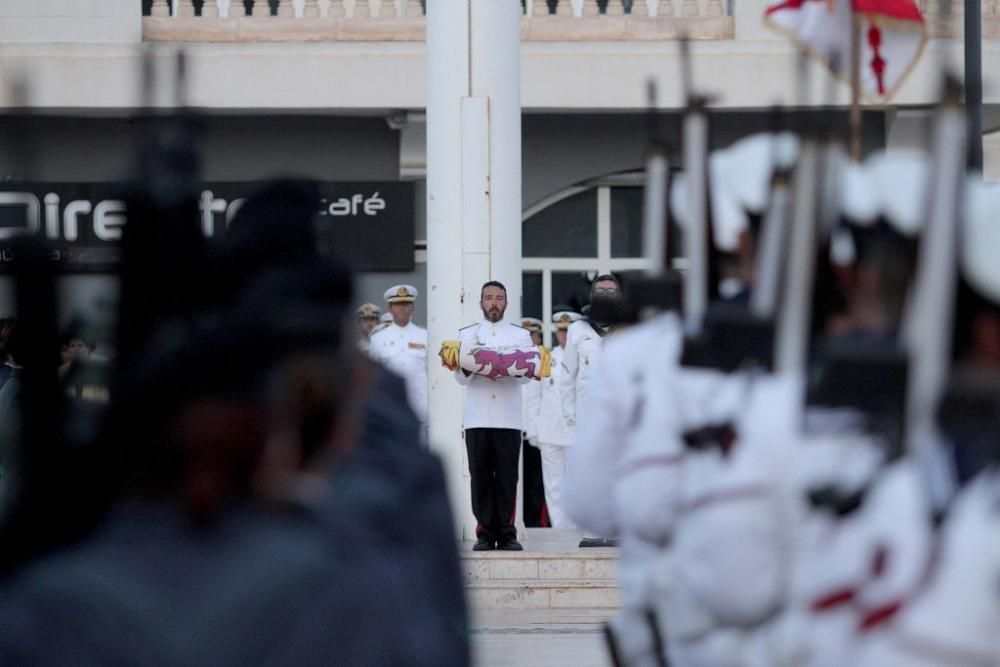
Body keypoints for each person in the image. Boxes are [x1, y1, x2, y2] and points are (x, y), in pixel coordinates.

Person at [454, 281, 533, 551]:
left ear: (506, 304)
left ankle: (507, 532)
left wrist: (502, 365)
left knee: (508, 476)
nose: (494, 303)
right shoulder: (467, 333)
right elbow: (460, 379)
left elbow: (526, 378)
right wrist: (473, 364)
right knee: (481, 476)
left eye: (499, 298)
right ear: (480, 303)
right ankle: (485, 532)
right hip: (477, 416)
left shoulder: (520, 336)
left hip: (508, 417)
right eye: (489, 298)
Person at [560, 274, 622, 548]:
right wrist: (568, 412)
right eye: (601, 290)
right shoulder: (577, 330)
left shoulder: (630, 328)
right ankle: (593, 531)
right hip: (588, 414)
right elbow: (567, 374)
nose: (606, 295)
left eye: (612, 291)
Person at [535, 310, 581, 528]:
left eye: (568, 331)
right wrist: (533, 429)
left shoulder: (584, 355)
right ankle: (559, 527)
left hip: (576, 432)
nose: (564, 335)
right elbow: (534, 395)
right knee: (553, 485)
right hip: (549, 430)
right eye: (561, 331)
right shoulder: (546, 357)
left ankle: (575, 527)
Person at [369, 285, 428, 426]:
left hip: (419, 407)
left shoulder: (425, 336)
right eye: (397, 305)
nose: (402, 308)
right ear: (390, 309)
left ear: (412, 308)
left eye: (406, 304)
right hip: (389, 406)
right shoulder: (378, 338)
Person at [520, 317, 548, 528]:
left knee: (536, 481)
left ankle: (535, 521)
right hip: (515, 429)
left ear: (539, 336)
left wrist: (537, 428)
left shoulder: (545, 357)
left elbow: (546, 397)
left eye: (533, 335)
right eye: (526, 335)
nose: (530, 339)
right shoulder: (512, 357)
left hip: (537, 431)